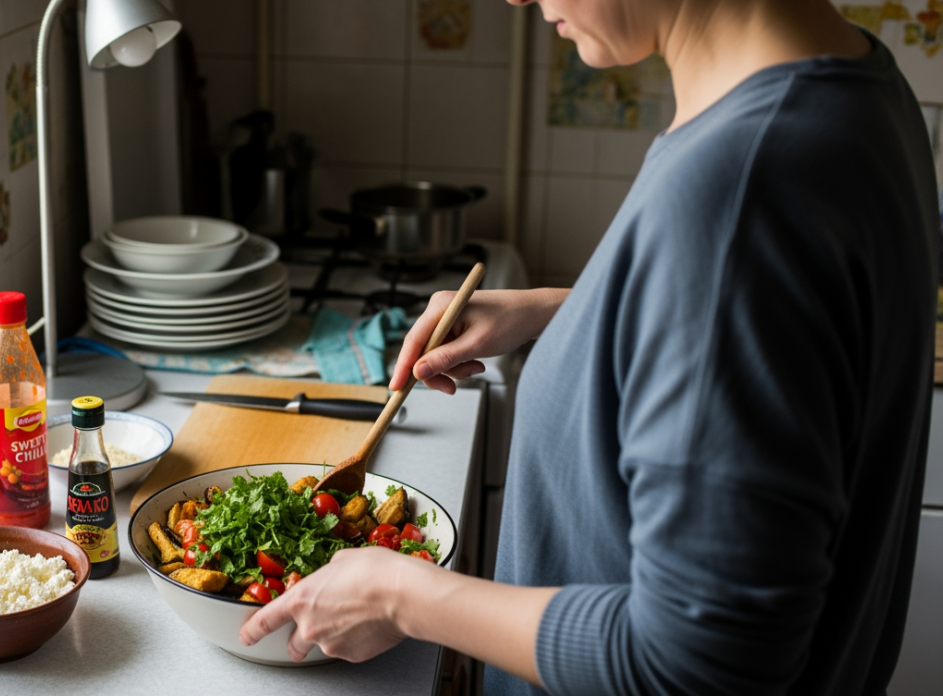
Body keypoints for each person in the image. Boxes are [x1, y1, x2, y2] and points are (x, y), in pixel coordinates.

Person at [239, 0, 940, 693]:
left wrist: (405, 599)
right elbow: (778, 336)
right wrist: (575, 311)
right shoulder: (857, 87)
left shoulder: (734, 191)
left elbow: (701, 665)